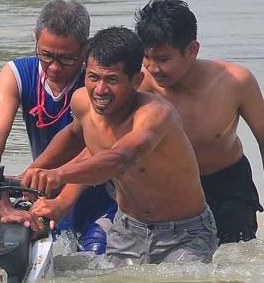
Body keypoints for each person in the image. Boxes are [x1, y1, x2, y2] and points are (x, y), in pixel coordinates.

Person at [21, 27, 218, 265]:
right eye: (93, 77)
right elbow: (75, 137)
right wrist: (33, 172)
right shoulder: (82, 102)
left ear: (136, 80)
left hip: (184, 235)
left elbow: (118, 159)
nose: (100, 90)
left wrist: (59, 174)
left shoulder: (154, 115)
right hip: (127, 229)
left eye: (112, 80)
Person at [135, 0, 264, 254]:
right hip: (171, 190)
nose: (153, 68)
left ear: (192, 50)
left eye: (163, 59)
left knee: (232, 277)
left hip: (227, 189)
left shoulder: (235, 82)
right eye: (147, 57)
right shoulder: (138, 84)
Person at [0, 0, 116, 252]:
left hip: (100, 197)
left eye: (67, 58)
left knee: (96, 262)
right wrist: (1, 200)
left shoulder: (100, 84)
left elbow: (101, 148)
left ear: (86, 48)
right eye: (45, 55)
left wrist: (57, 187)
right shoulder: (16, 74)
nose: (54, 68)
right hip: (42, 195)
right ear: (35, 39)